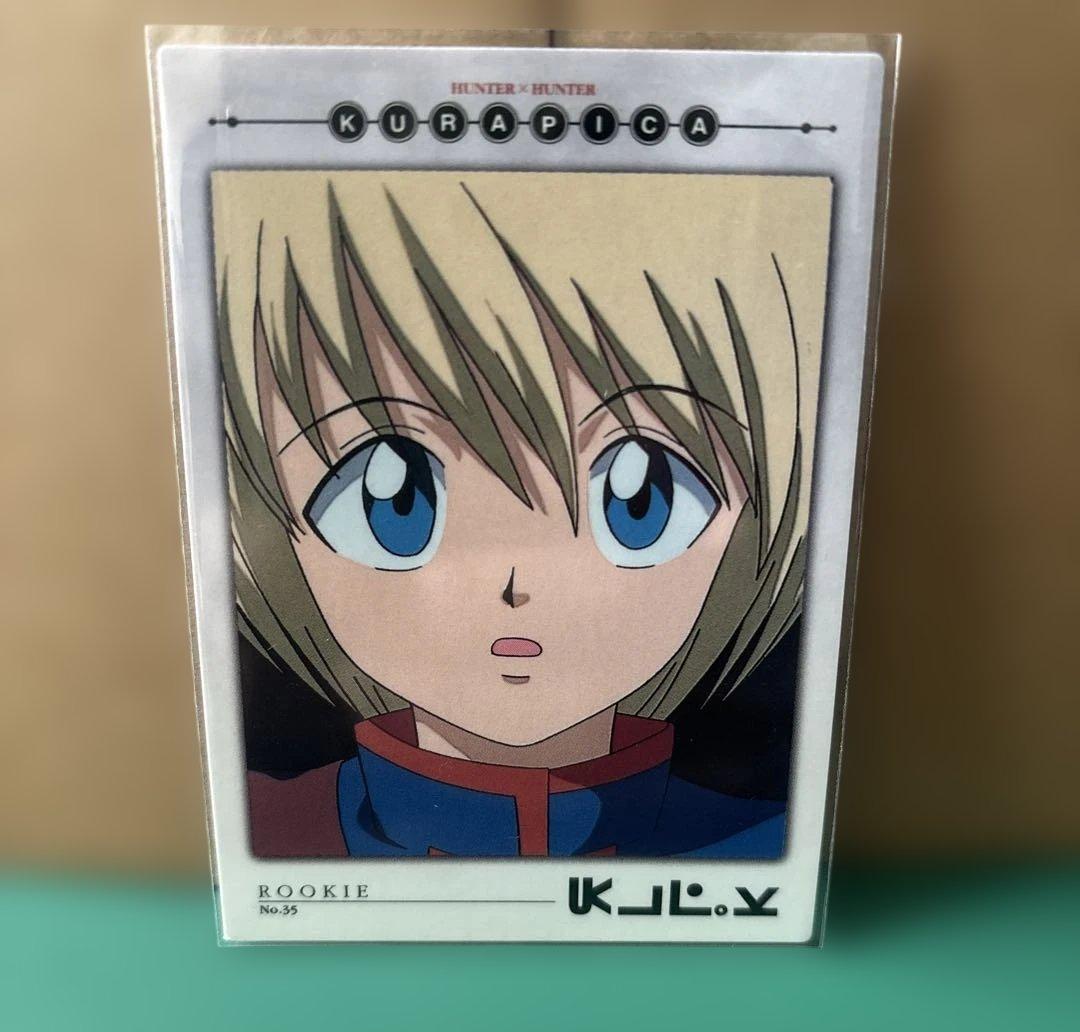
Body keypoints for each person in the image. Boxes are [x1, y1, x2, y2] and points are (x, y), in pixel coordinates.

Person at [214, 170, 829, 857]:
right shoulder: (268, 834)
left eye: (639, 503)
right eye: (393, 503)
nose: (514, 584)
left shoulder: (762, 846)